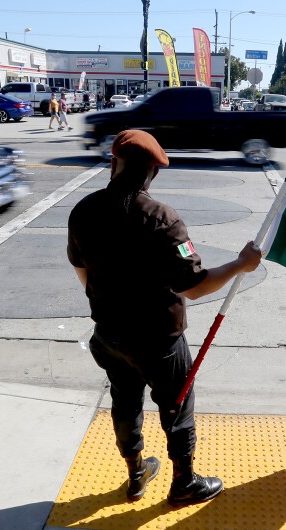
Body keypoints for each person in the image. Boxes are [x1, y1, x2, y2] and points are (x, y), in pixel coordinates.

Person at [67, 130, 262, 507]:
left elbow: (83, 273)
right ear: (153, 174)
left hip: (108, 336)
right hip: (158, 340)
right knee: (175, 406)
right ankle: (185, 483)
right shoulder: (162, 219)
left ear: (113, 164)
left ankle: (136, 474)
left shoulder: (84, 211)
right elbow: (194, 286)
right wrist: (241, 264)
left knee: (125, 402)